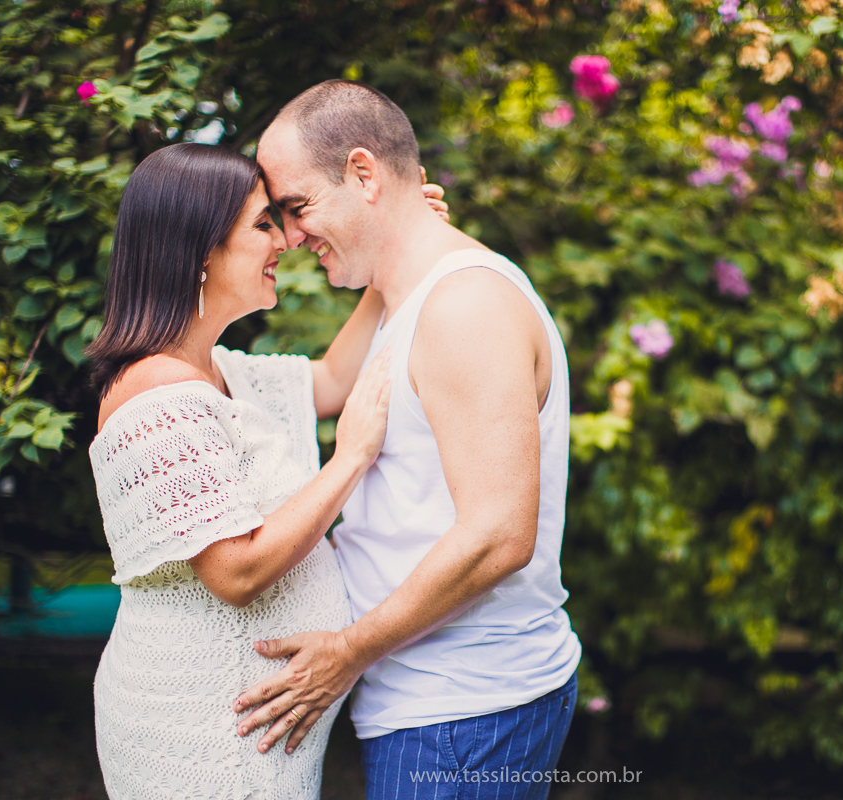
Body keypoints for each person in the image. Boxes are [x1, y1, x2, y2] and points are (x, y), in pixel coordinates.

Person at [233, 80, 582, 800]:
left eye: (297, 208)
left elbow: (498, 534)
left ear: (364, 174)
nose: (291, 237)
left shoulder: (464, 308)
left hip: (462, 715)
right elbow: (329, 384)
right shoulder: (414, 299)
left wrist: (346, 654)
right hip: (439, 705)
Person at [85, 142, 448, 800]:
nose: (284, 240)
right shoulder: (155, 396)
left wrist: (395, 255)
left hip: (252, 720)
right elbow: (236, 572)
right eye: (261, 224)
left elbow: (336, 379)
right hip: (201, 732)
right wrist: (350, 459)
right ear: (199, 251)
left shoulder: (226, 373)